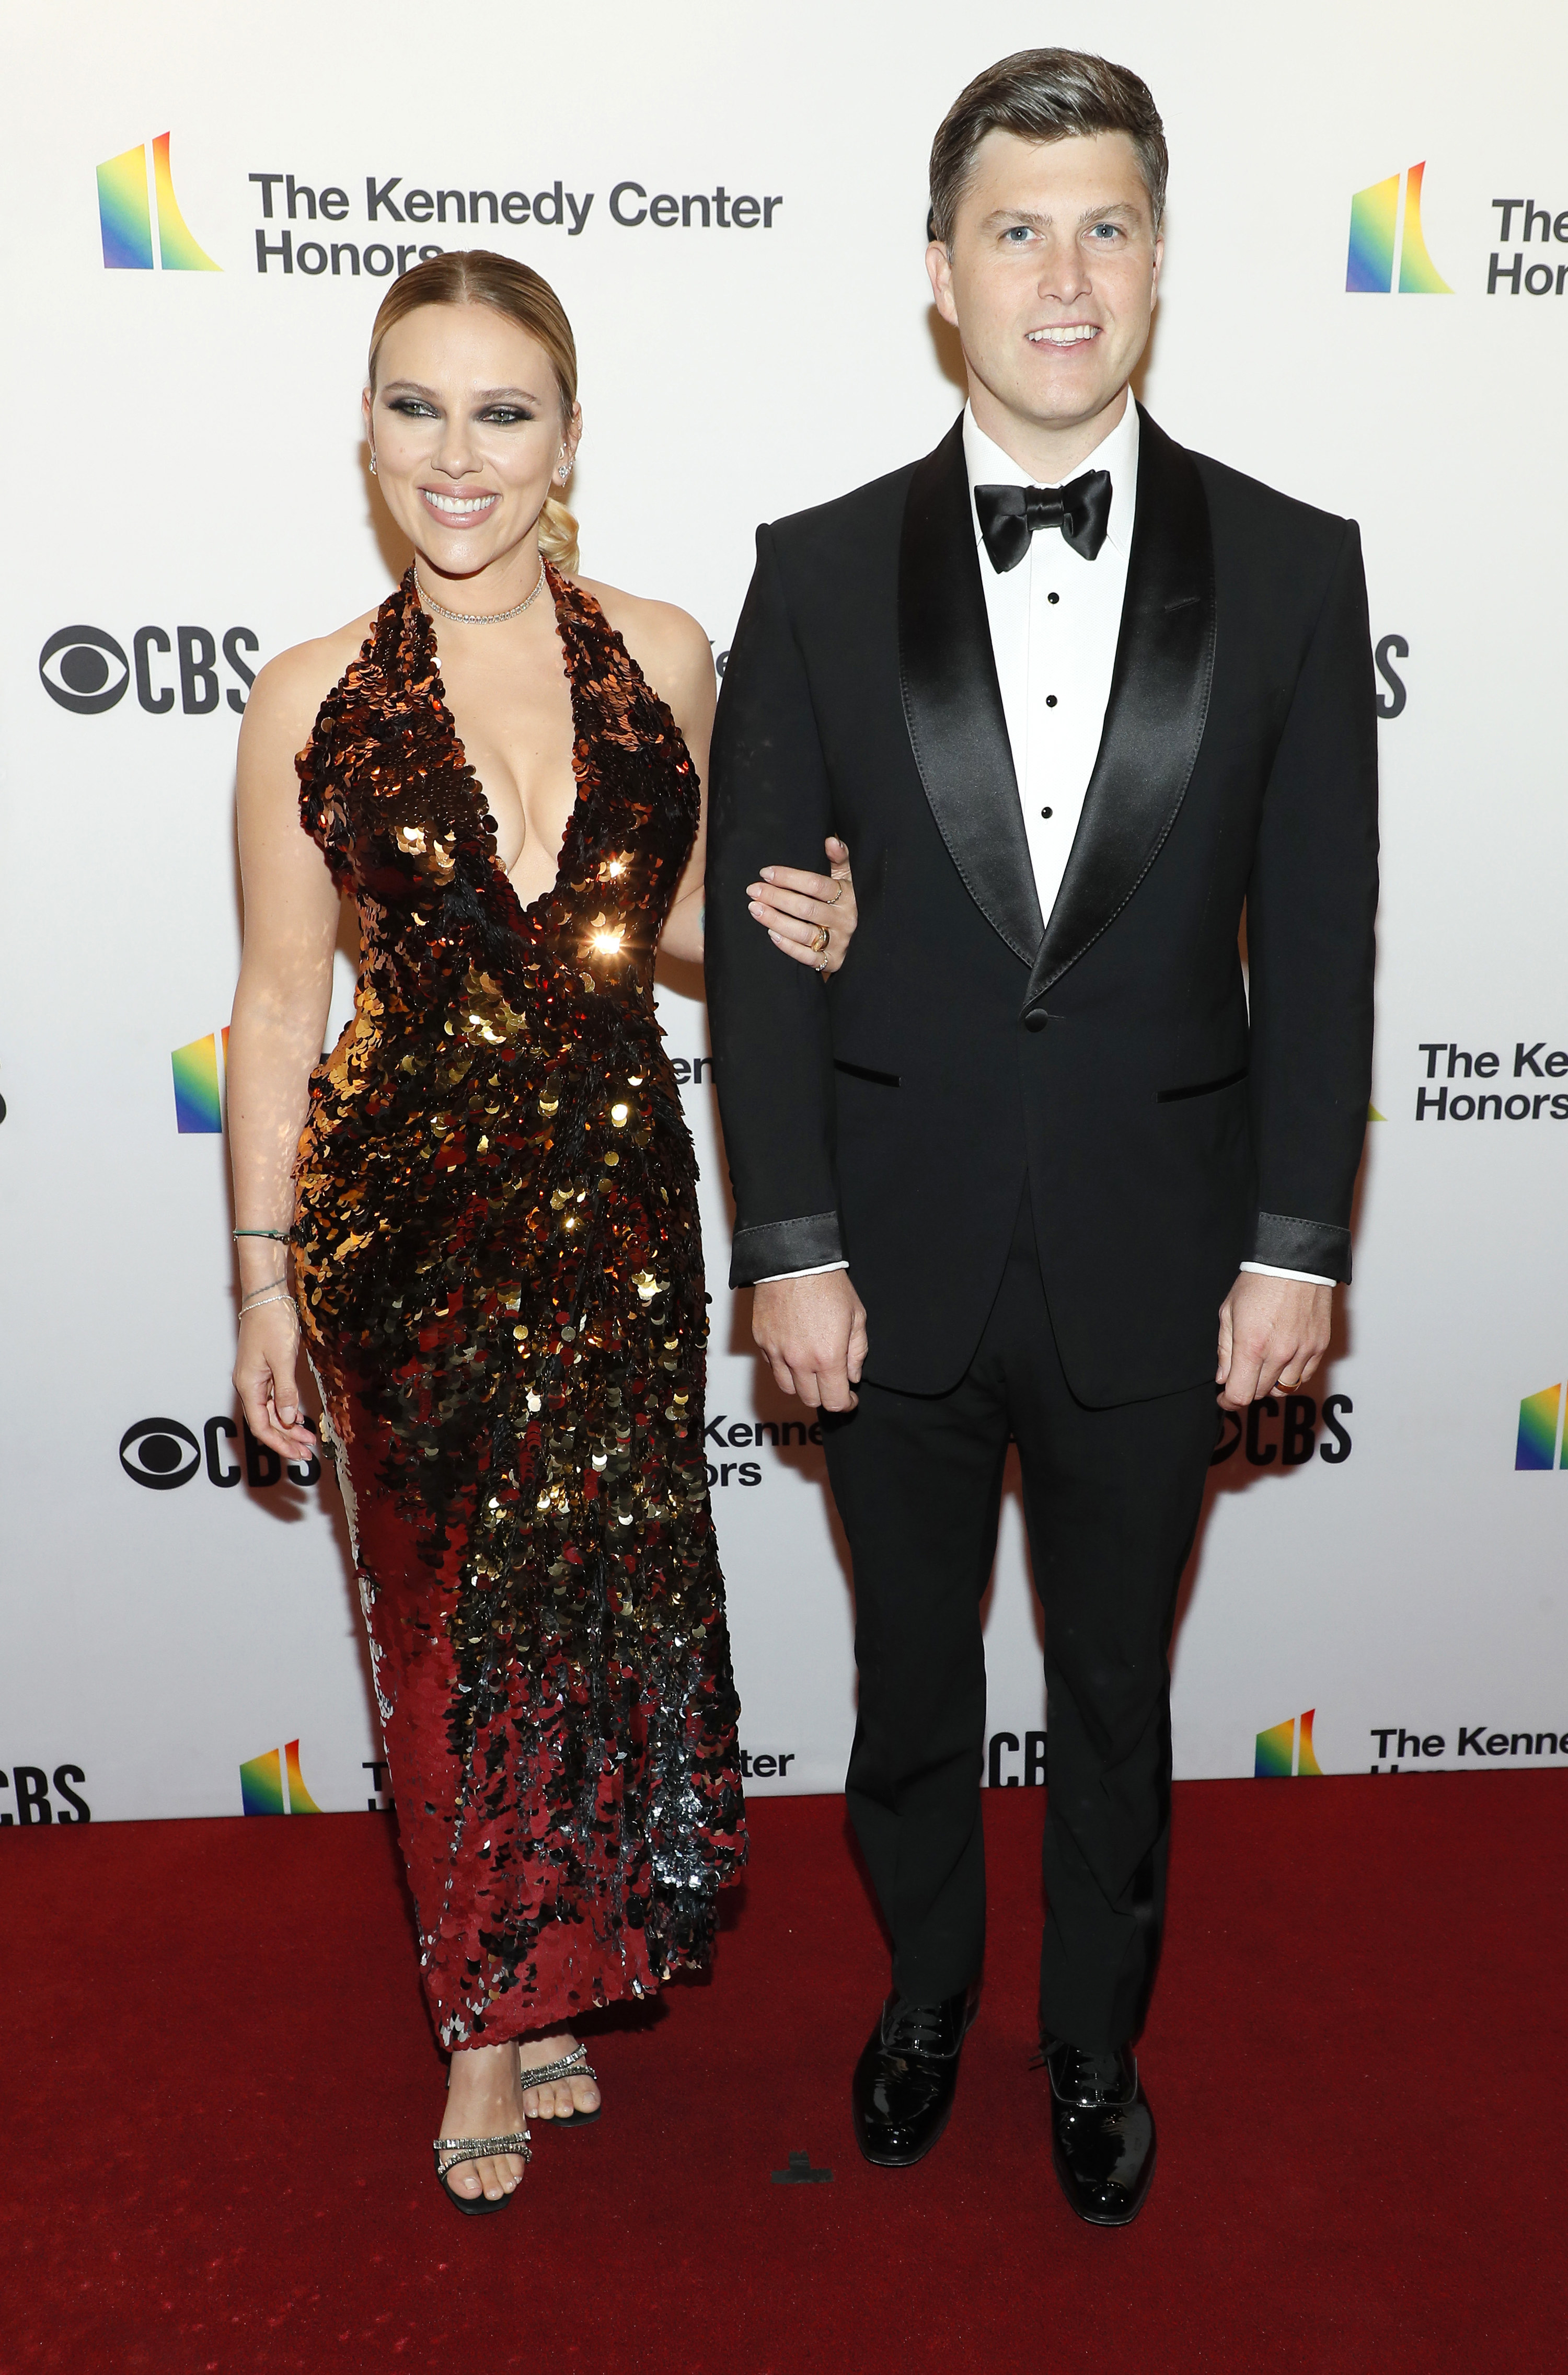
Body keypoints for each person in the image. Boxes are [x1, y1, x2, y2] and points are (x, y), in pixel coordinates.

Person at [706, 50, 1377, 2224]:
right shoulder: (807, 572)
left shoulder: (1290, 564)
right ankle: (924, 1991)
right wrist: (785, 1242)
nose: (1062, 275)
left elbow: (1329, 951)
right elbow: (760, 936)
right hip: (882, 1245)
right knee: (910, 1688)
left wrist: (1295, 1244)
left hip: (1162, 1249)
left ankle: (1093, 2035)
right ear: (938, 270)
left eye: (1104, 226)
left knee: (1111, 1690)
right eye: (1016, 228)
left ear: (1160, 259)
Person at [226, 251, 859, 2215]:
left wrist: (778, 933)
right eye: (416, 406)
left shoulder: (662, 652)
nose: (457, 454)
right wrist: (257, 1277)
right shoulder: (309, 695)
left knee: (589, 1615)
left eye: (502, 412)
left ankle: (560, 1952)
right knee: (438, 1627)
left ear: (566, 438)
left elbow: (637, 925)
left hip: (612, 1217)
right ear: (367, 429)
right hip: (399, 1228)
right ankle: (487, 2024)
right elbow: (274, 1005)